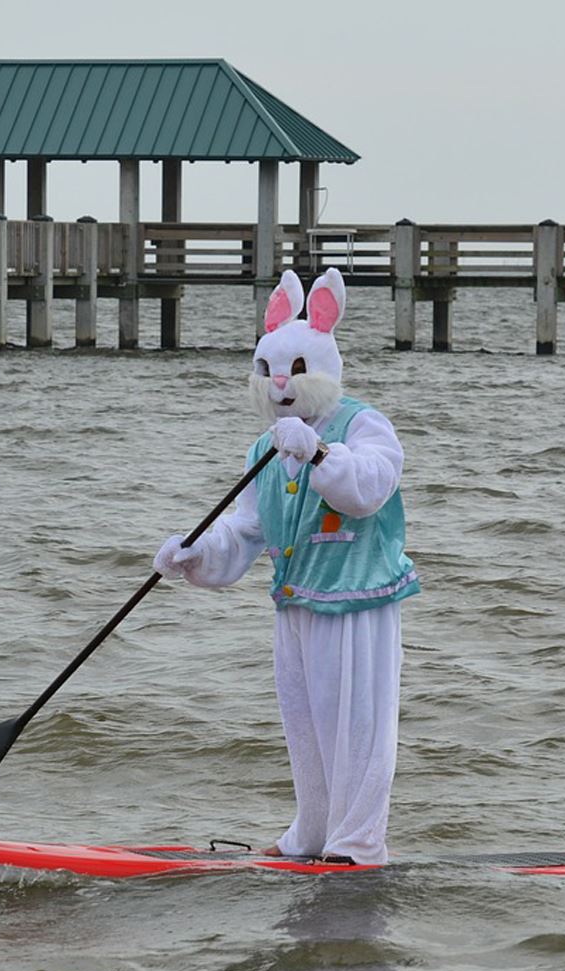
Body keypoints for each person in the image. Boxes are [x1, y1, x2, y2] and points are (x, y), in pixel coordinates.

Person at [153, 268, 418, 866]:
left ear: (321, 366)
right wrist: (195, 554)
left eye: (295, 371)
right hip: (296, 601)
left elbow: (370, 488)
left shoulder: (363, 423)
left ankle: (357, 846)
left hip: (358, 597)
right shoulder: (264, 448)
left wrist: (320, 452)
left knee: (358, 726)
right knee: (305, 727)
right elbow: (247, 530)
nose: (280, 385)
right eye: (270, 372)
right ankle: (312, 836)